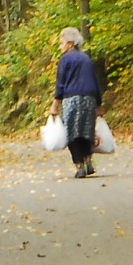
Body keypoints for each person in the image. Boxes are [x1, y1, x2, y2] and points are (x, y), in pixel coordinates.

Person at [51, 26, 102, 178]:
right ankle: (88, 161)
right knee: (86, 132)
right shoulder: (86, 58)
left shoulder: (65, 59)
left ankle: (79, 165)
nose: (60, 47)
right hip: (89, 99)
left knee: (71, 134)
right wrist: (99, 104)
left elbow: (60, 84)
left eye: (62, 43)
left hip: (71, 99)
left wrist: (55, 105)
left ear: (70, 44)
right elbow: (95, 82)